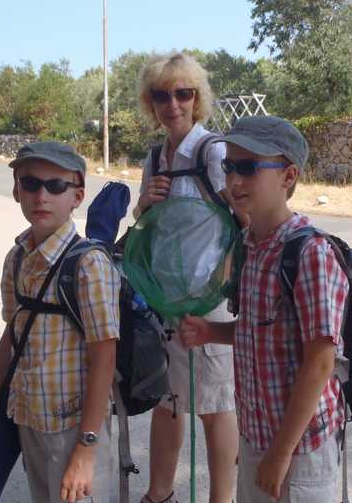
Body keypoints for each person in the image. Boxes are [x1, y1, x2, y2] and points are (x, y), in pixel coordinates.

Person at [179, 116, 348, 503]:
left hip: (300, 449)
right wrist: (212, 332)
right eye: (229, 166)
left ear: (288, 176)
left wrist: (281, 452)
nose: (234, 181)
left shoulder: (310, 254)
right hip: (257, 437)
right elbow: (261, 332)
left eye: (249, 167)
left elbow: (320, 362)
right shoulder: (250, 244)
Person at [0, 141, 119, 503]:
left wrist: (86, 447)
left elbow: (105, 356)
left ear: (77, 196)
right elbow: (11, 339)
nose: (41, 196)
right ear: (16, 190)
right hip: (29, 423)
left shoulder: (89, 265)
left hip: (74, 428)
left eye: (55, 186)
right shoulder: (16, 259)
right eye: (30, 184)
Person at [135, 52, 239, 503]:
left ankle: (221, 499)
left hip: (209, 302)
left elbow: (242, 217)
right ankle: (159, 494)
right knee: (169, 402)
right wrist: (144, 205)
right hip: (165, 301)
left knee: (215, 405)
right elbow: (143, 226)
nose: (172, 103)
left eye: (183, 93)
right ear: (151, 102)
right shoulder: (154, 158)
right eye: (161, 95)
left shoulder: (213, 152)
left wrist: (223, 284)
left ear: (197, 99)